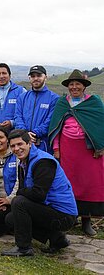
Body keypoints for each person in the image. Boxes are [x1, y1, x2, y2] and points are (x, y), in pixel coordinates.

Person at [1, 129, 78, 257]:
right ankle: (56, 239)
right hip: (48, 209)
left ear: (29, 144)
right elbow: (27, 191)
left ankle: (23, 248)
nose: (16, 148)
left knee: (19, 202)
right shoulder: (23, 162)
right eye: (13, 146)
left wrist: (20, 193)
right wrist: (21, 193)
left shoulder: (43, 162)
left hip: (64, 215)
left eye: (20, 144)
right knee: (11, 219)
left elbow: (39, 194)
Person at [48, 69, 104, 236]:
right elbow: (55, 128)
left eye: (77, 84)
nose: (74, 87)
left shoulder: (94, 103)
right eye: (71, 84)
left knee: (89, 185)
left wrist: (99, 146)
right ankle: (71, 219)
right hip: (68, 152)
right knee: (69, 185)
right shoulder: (62, 104)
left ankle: (86, 221)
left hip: (89, 152)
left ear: (84, 86)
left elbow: (101, 126)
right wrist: (56, 149)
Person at [14, 65, 59, 152]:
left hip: (43, 145)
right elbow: (17, 117)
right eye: (33, 76)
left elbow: (50, 121)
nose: (36, 78)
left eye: (39, 76)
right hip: (24, 143)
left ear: (45, 77)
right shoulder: (22, 97)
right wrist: (25, 133)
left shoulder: (54, 98)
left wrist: (35, 133)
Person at [0, 63, 26, 130]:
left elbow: (26, 113)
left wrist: (12, 123)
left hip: (15, 133)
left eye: (4, 73)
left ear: (9, 75)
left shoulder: (21, 91)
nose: (1, 76)